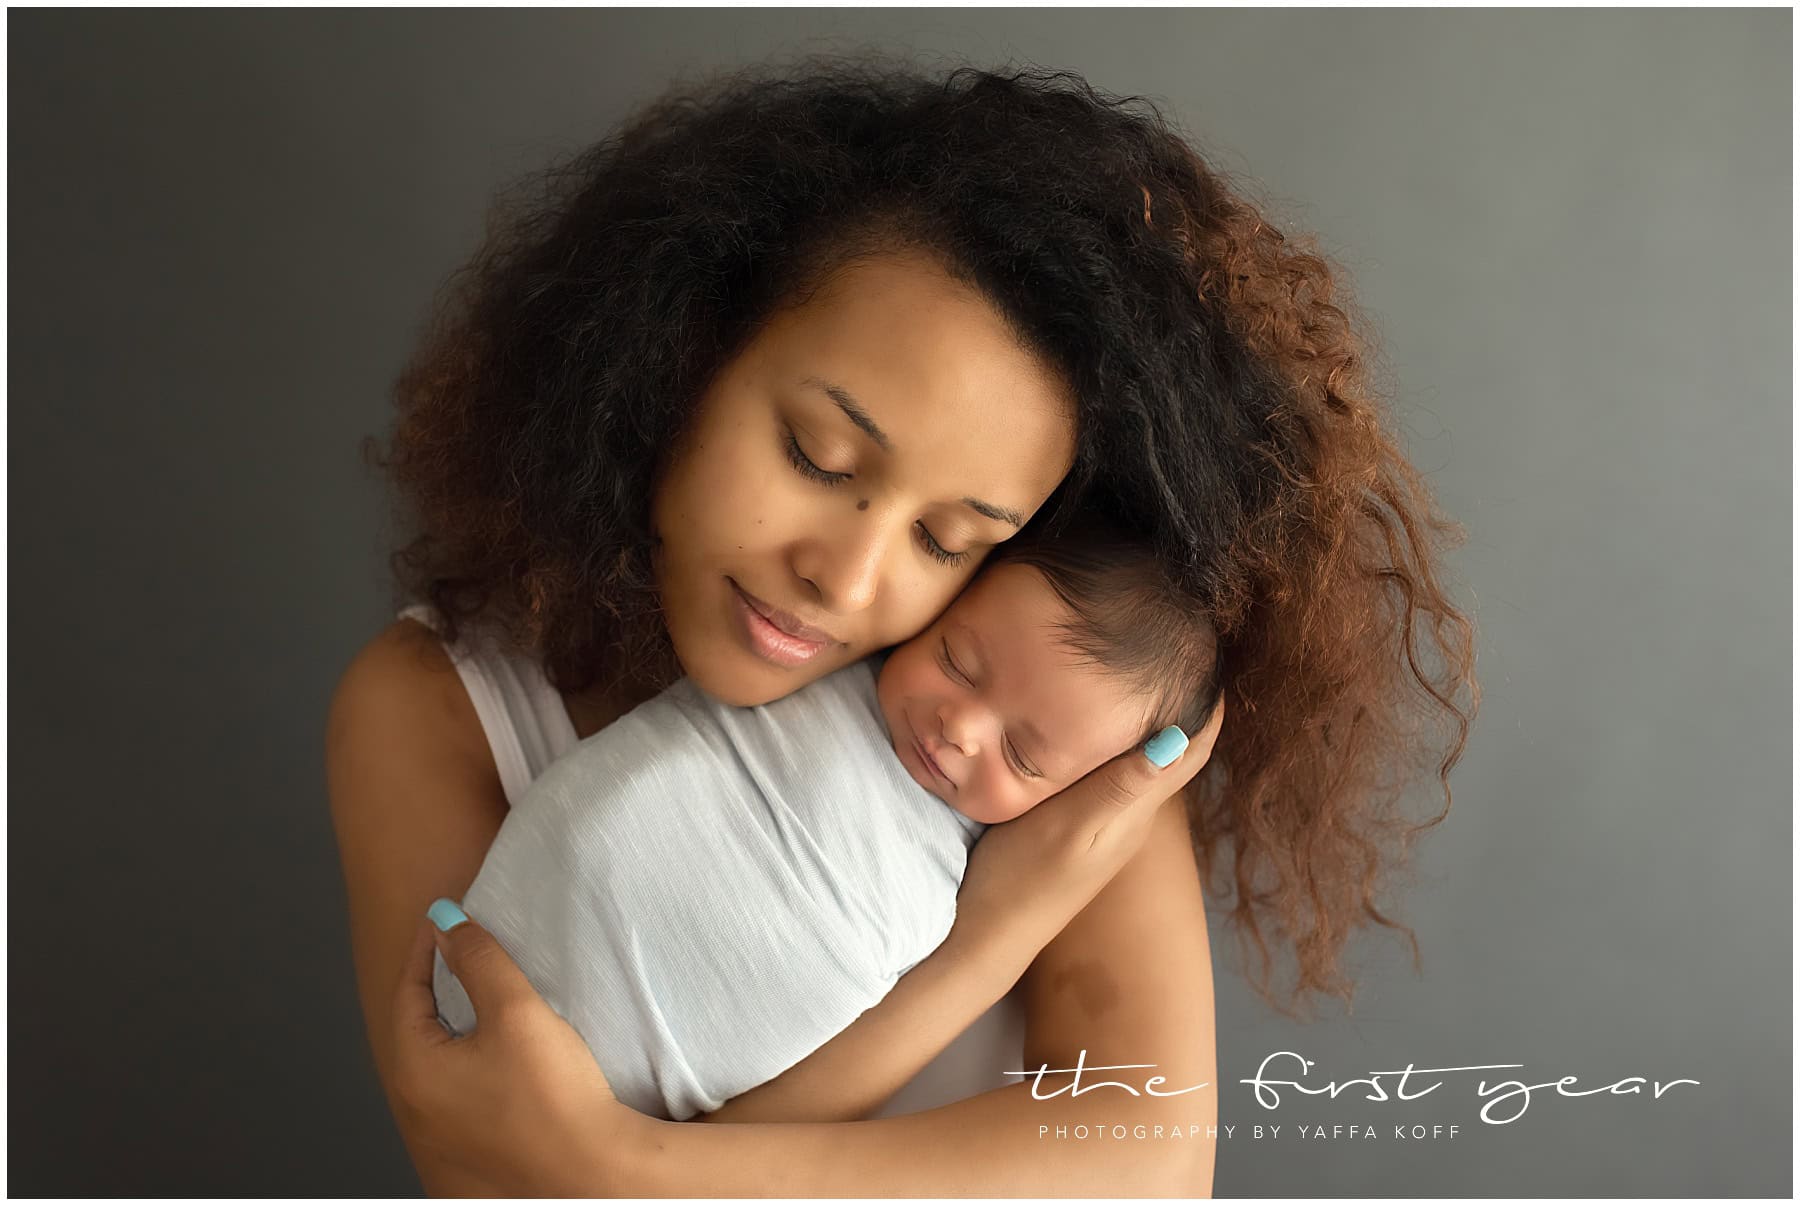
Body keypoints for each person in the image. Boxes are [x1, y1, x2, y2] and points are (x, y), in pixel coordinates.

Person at [326, 59, 1478, 1196]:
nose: (849, 580)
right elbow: (500, 1178)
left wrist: (625, 1164)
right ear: (678, 355)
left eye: (949, 538)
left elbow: (1147, 1168)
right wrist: (988, 939)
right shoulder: (425, 707)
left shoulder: (1020, 698)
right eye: (819, 458)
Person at [427, 529, 1225, 1125]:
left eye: (1021, 754)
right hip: (516, 941)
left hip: (652, 1096)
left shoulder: (1045, 857)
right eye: (956, 661)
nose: (959, 730)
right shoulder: (824, 648)